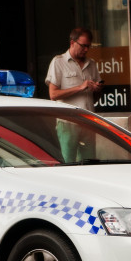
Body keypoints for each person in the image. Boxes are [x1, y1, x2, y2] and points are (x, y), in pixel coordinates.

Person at [45, 27, 103, 162]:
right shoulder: (59, 62)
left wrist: (97, 89)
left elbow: (95, 99)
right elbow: (53, 94)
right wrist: (80, 87)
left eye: (88, 46)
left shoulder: (91, 63)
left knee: (89, 162)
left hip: (88, 120)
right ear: (72, 42)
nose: (86, 49)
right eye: (83, 46)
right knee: (68, 162)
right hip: (68, 121)